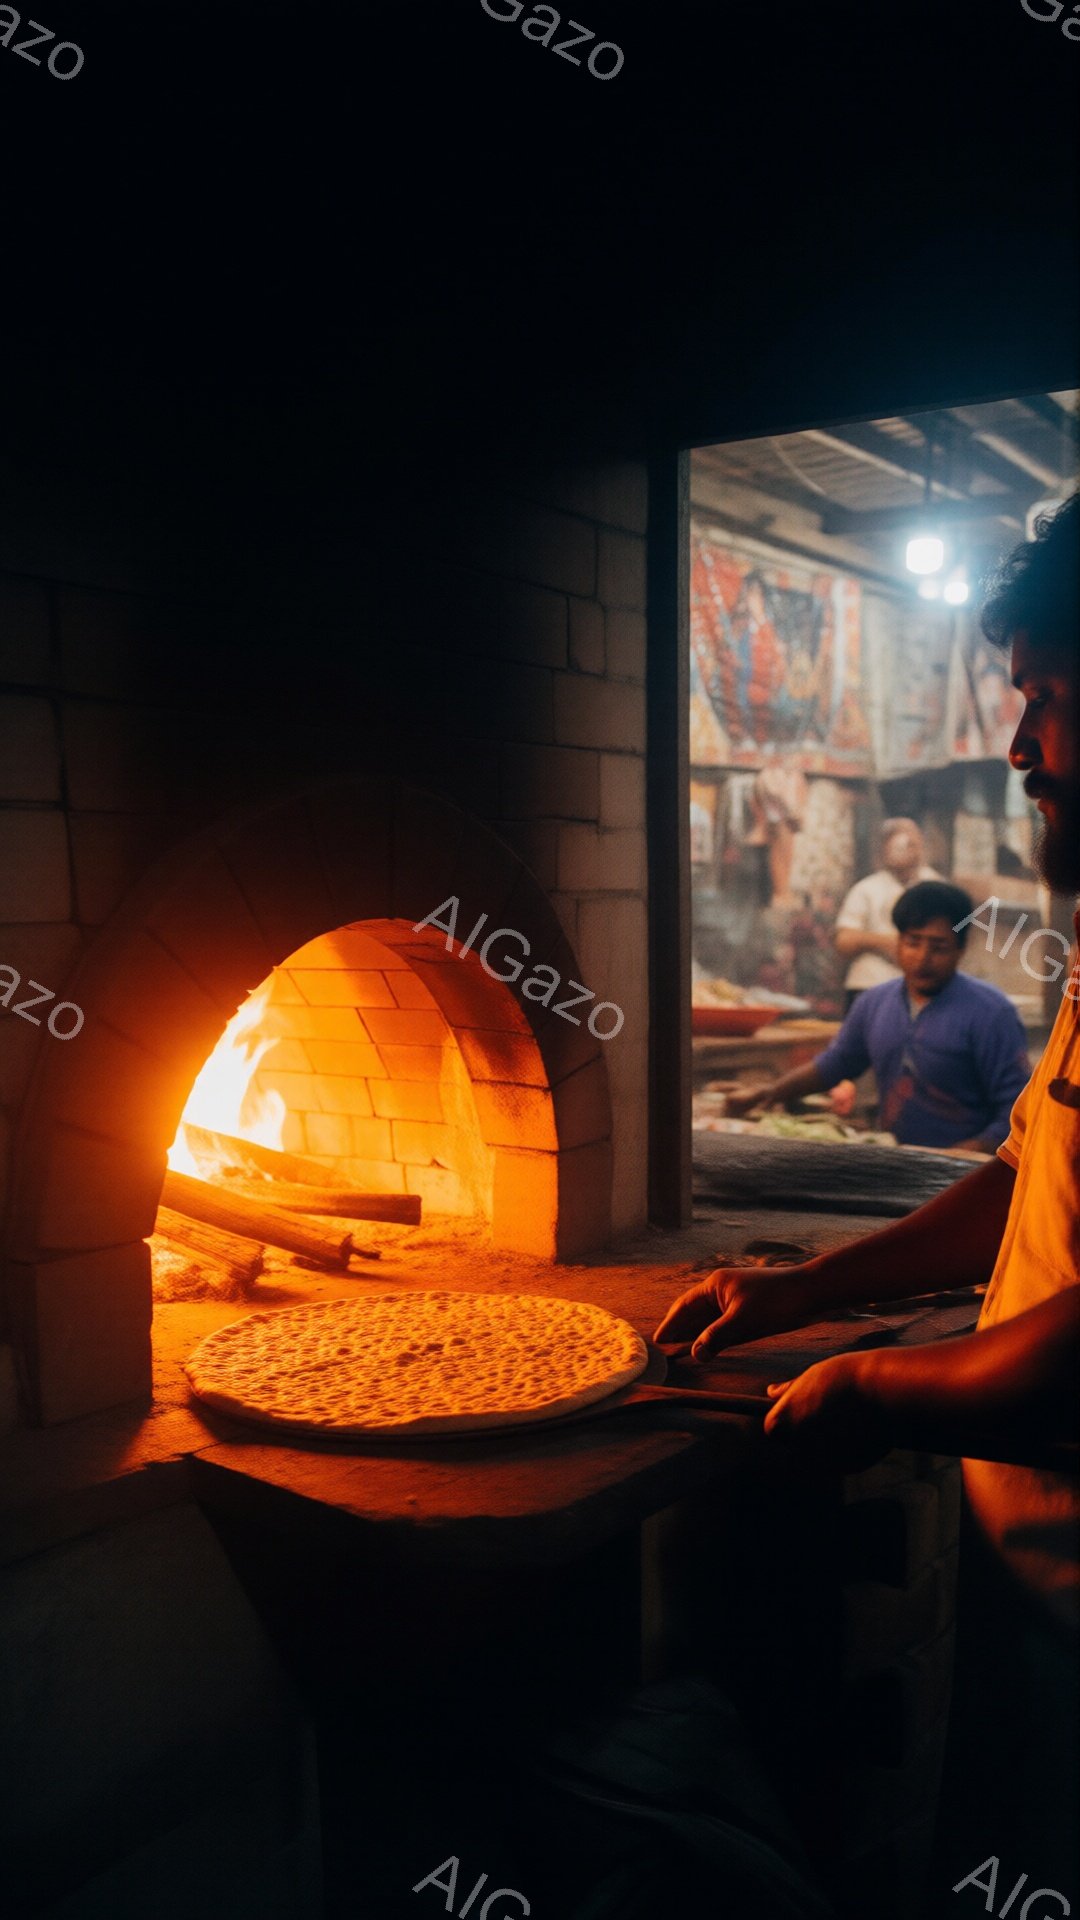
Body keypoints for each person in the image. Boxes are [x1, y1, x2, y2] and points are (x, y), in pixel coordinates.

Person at [656, 492, 1080, 1900]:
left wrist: (873, 1389)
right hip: (1029, 1584)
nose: (1018, 746)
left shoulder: (992, 1011)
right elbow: (1025, 1183)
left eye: (1046, 698)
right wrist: (808, 1291)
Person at [725, 879, 1031, 1153]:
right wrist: (767, 1093)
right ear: (897, 942)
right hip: (897, 1163)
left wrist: (964, 1153)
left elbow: (1019, 1112)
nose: (923, 958)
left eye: (939, 947)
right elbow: (837, 1063)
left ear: (960, 950)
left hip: (968, 1176)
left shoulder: (991, 1013)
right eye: (913, 942)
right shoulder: (874, 1003)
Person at [835, 818, 939, 1008]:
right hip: (870, 986)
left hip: (922, 989)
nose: (903, 848)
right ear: (884, 849)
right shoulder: (866, 889)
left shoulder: (937, 887)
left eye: (910, 843)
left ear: (921, 846)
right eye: (895, 843)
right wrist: (886, 942)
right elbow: (843, 941)